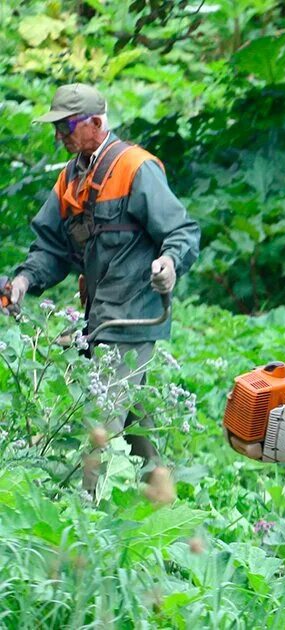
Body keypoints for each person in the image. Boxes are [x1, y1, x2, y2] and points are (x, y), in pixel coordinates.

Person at [1, 83, 201, 491]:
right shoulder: (69, 180)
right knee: (136, 432)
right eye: (57, 126)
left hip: (133, 319)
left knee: (99, 430)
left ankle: (83, 529)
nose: (60, 135)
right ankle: (167, 513)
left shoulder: (134, 168)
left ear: (96, 122)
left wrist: (169, 263)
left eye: (68, 125)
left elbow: (181, 230)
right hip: (100, 321)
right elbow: (51, 248)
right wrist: (24, 279)